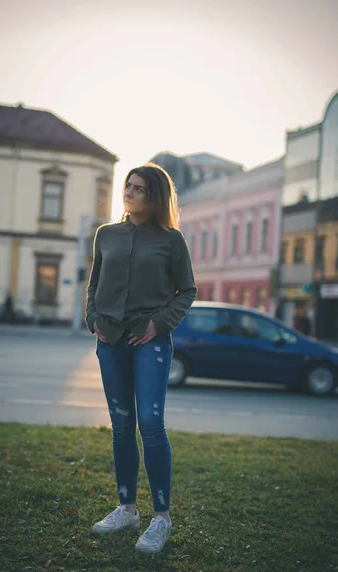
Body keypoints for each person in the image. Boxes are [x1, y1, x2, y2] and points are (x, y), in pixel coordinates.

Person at [85, 163, 197, 554]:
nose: (128, 193)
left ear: (155, 196)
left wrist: (159, 323)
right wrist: (92, 319)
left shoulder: (171, 240)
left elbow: (187, 290)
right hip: (110, 339)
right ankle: (127, 507)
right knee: (121, 423)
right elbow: (94, 284)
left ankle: (161, 517)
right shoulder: (107, 235)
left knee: (150, 422)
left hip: (150, 341)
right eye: (126, 186)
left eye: (137, 188)